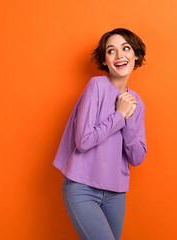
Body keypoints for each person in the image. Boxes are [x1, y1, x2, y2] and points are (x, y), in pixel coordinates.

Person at [53, 28, 147, 240]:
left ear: (136, 56)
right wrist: (119, 116)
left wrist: (128, 116)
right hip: (82, 187)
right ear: (105, 61)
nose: (119, 55)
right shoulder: (96, 86)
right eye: (111, 51)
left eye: (126, 48)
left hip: (116, 192)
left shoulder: (136, 102)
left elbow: (137, 157)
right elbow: (83, 141)